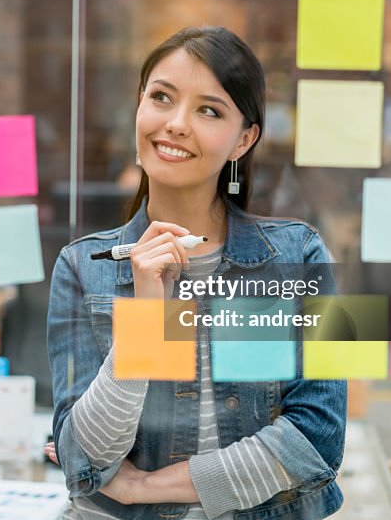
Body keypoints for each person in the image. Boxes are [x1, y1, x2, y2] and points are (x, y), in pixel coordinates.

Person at [46, 26, 346, 519]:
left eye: (209, 110)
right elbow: (85, 459)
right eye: (161, 97)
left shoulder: (298, 256)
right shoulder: (83, 268)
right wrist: (147, 320)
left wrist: (144, 487)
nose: (177, 124)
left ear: (243, 140)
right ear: (138, 106)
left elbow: (316, 440)